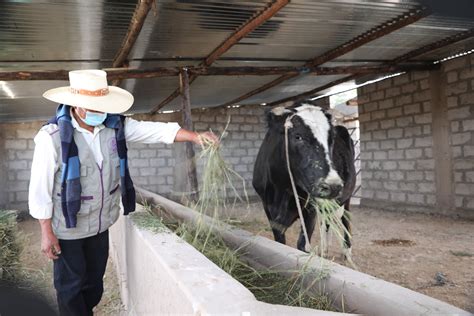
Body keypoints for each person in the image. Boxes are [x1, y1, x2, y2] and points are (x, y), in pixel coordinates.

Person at [28, 69, 218, 316]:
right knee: (70, 288)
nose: (101, 111)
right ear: (78, 107)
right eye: (95, 106)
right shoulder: (51, 138)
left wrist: (194, 136)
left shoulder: (114, 126)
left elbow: (154, 131)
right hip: (68, 227)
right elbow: (39, 188)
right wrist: (46, 232)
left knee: (94, 284)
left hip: (101, 224)